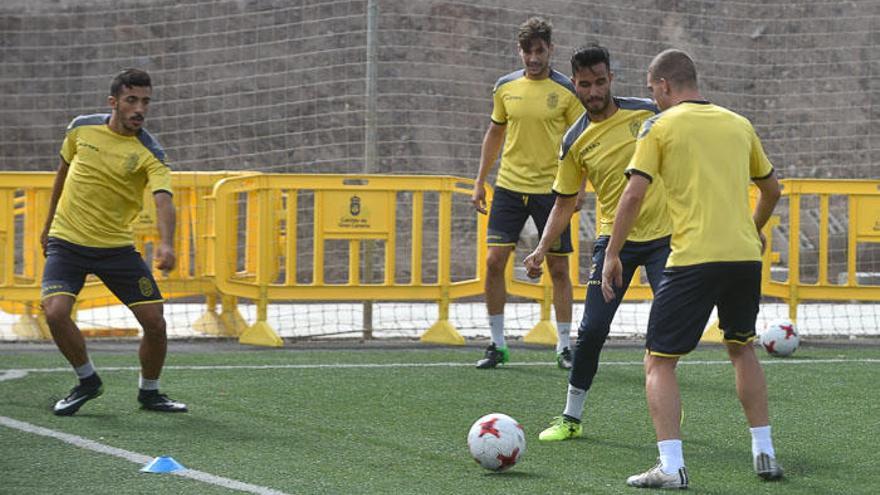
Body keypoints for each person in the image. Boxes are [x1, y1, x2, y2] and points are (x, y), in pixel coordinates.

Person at [601, 49, 783, 489]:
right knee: (742, 347)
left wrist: (612, 253)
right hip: (743, 256)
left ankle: (671, 465)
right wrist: (751, 228)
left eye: (652, 91)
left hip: (694, 258)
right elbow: (772, 189)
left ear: (664, 85)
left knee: (658, 361)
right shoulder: (739, 123)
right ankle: (764, 452)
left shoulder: (659, 127)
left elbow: (632, 196)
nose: (653, 99)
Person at [523, 45, 672, 441]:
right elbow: (565, 201)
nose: (594, 91)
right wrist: (540, 248)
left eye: (600, 82)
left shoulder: (648, 112)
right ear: (574, 84)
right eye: (585, 84)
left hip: (664, 238)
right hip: (614, 242)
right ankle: (571, 417)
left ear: (611, 79)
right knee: (591, 331)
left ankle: (666, 419)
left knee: (667, 329)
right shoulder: (574, 140)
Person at [40, 68, 187, 416]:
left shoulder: (150, 151)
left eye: (146, 102)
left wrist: (167, 244)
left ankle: (149, 393)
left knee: (155, 322)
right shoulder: (81, 128)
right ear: (114, 102)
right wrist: (47, 226)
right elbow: (62, 174)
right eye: (132, 100)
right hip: (68, 241)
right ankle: (87, 380)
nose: (140, 109)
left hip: (116, 249)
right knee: (55, 312)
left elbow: (163, 197)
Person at [471, 17, 584, 369]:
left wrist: (579, 187)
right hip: (508, 186)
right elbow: (494, 133)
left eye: (540, 50)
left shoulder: (568, 90)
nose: (533, 58)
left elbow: (582, 143)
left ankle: (564, 346)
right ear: (519, 51)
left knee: (559, 268)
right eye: (527, 51)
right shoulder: (505, 87)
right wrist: (479, 180)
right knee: (493, 262)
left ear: (550, 49)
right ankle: (497, 343)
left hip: (552, 191)